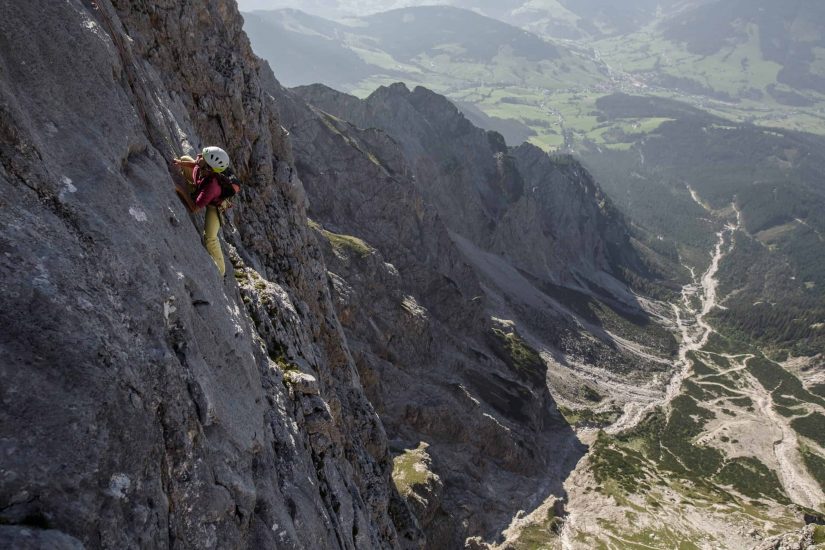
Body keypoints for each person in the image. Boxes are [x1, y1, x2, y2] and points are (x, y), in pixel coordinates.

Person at [173, 146, 232, 277]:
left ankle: (221, 271)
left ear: (209, 168)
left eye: (203, 159)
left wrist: (181, 191)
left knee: (210, 237)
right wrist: (180, 163)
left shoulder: (212, 186)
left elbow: (195, 209)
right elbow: (195, 163)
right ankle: (195, 191)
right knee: (185, 158)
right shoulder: (206, 165)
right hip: (202, 184)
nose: (199, 158)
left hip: (214, 206)